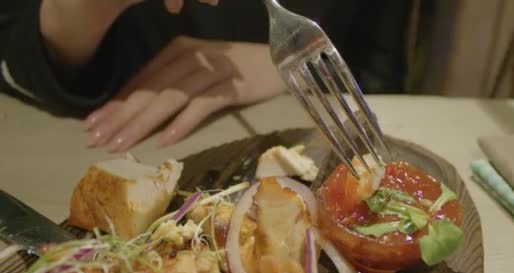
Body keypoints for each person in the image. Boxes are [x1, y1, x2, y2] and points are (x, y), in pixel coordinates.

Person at [0, 0, 409, 151]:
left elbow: (379, 69)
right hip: (102, 140)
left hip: (293, 135)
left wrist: (288, 63)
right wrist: (84, 10)